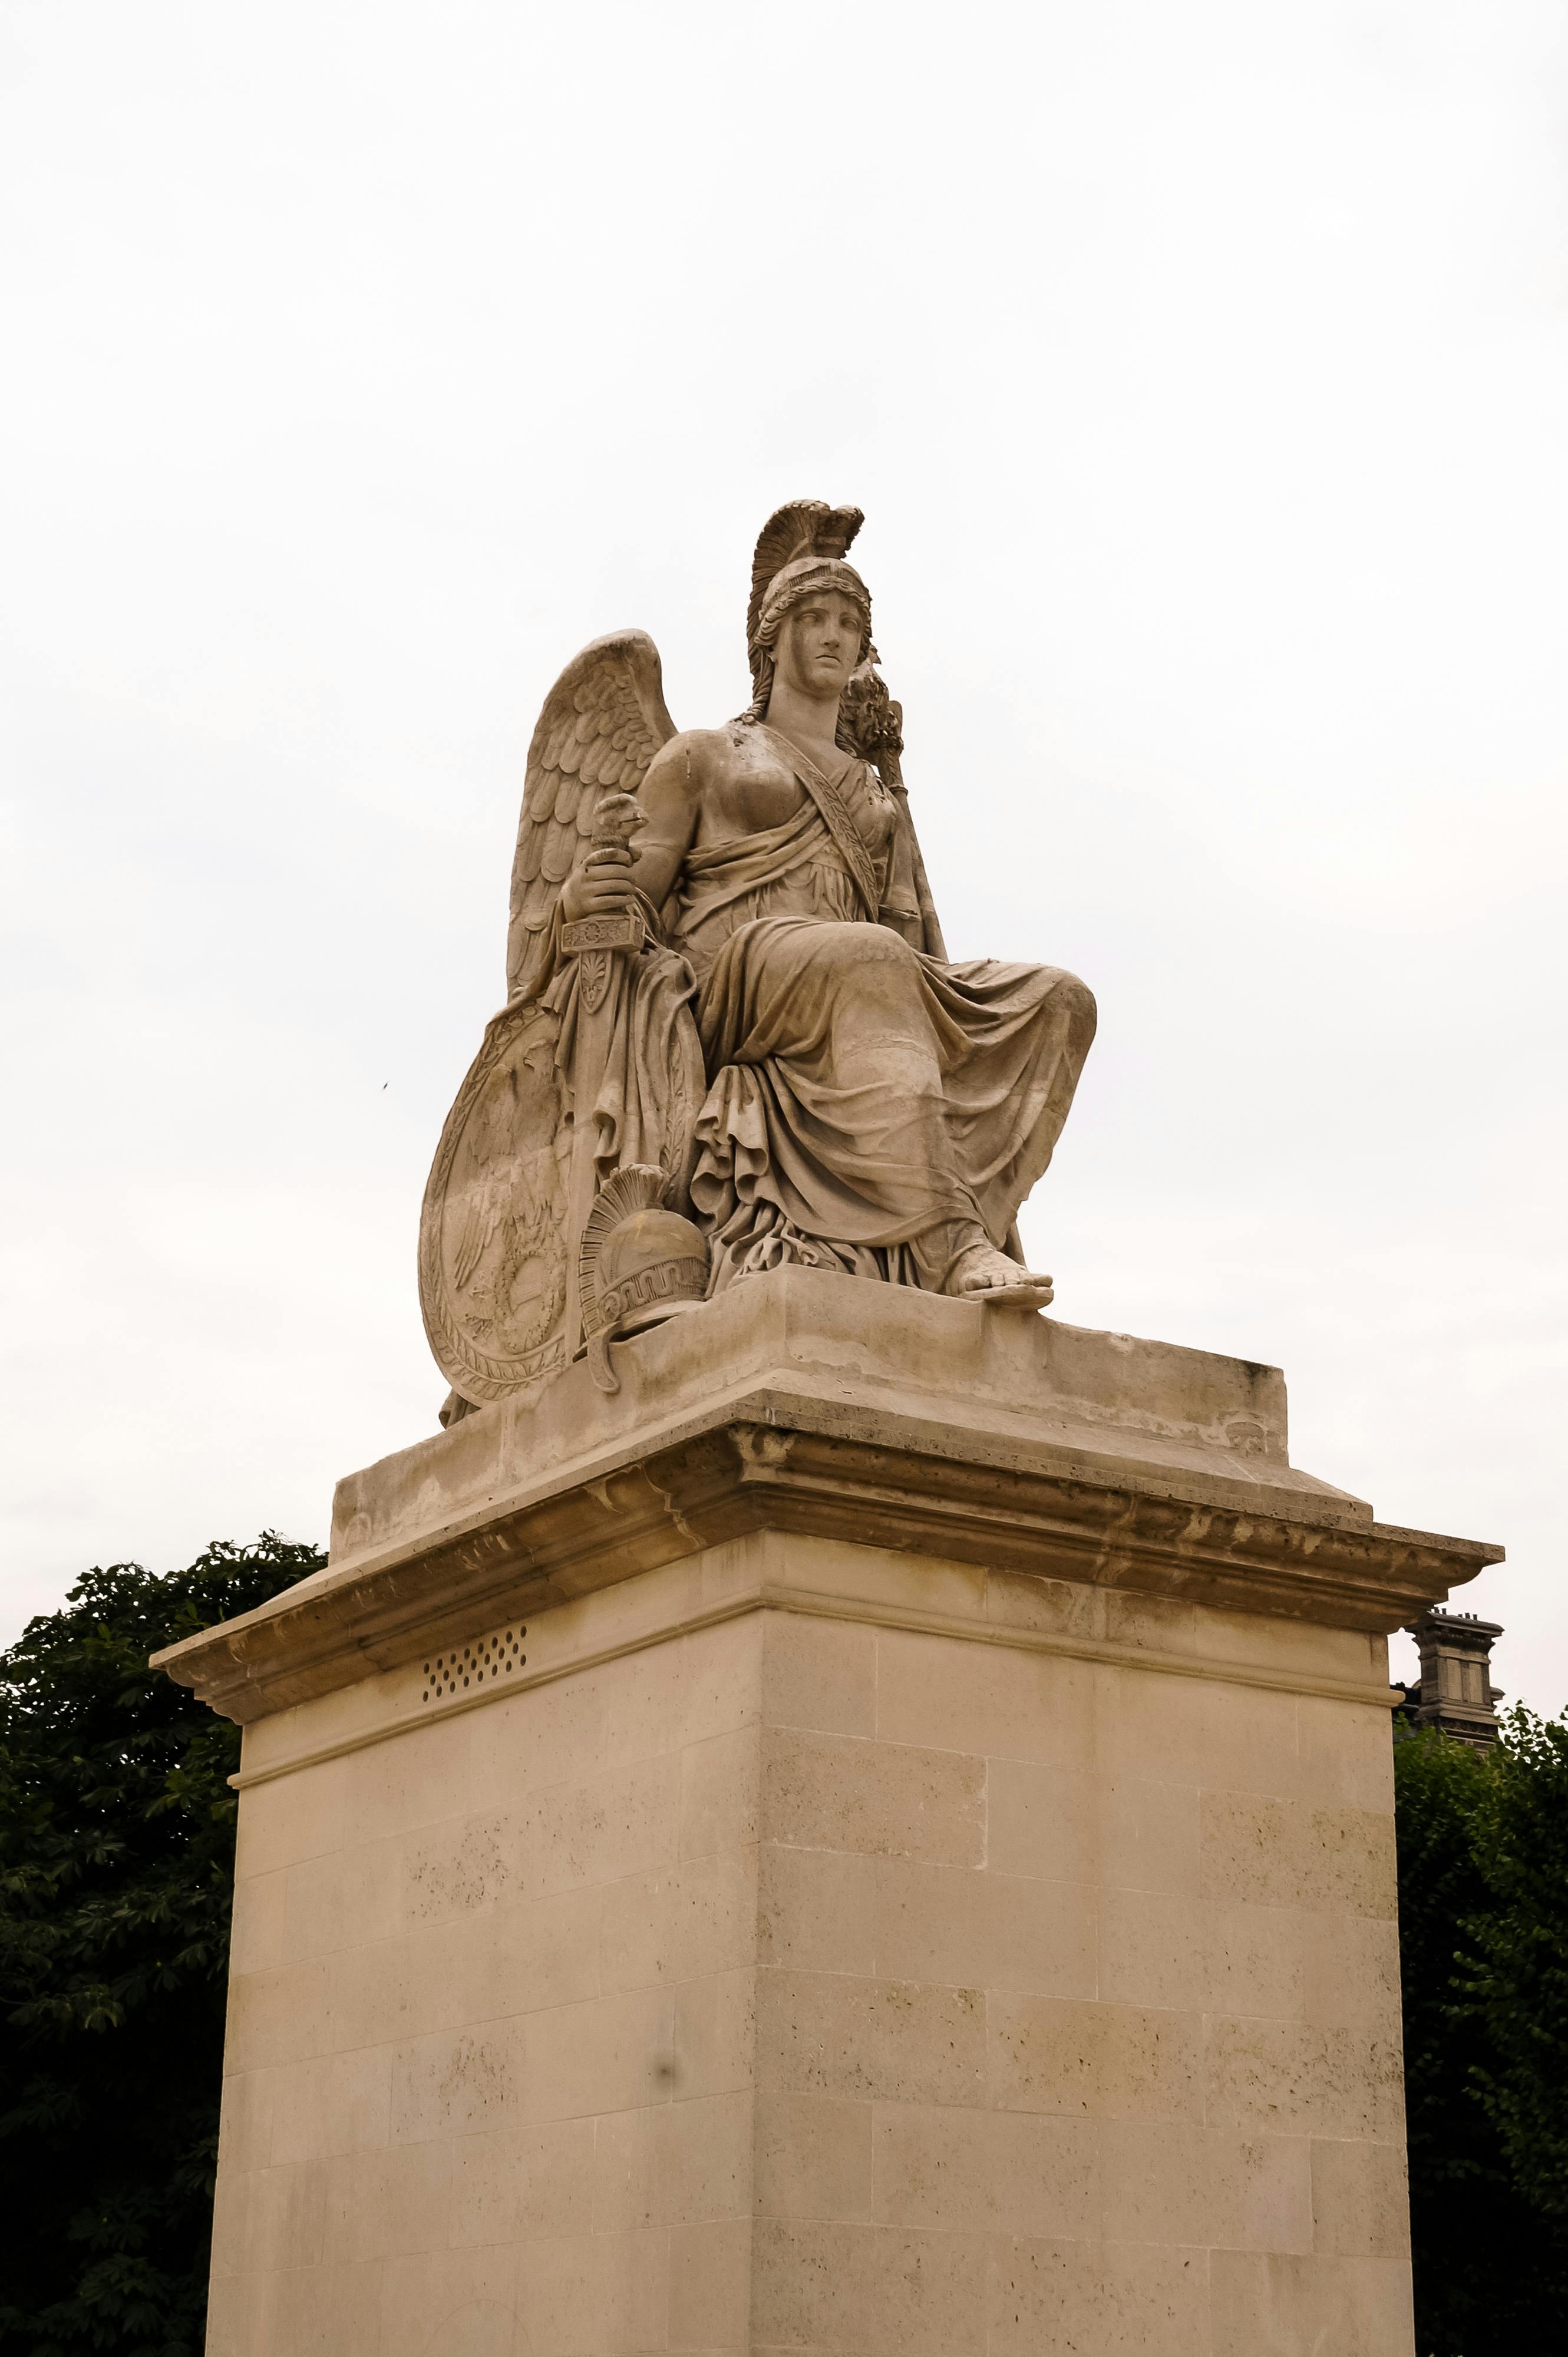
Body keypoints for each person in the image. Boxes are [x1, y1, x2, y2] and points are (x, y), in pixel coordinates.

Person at [560, 517, 1096, 1302]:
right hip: (734, 984)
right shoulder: (705, 754)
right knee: (865, 955)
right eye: (814, 619)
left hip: (849, 976)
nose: (834, 636)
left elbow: (908, 933)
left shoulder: (873, 785)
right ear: (770, 641)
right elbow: (633, 896)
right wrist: (587, 888)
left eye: (850, 624)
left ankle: (939, 1214)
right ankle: (949, 1246)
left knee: (1057, 1000)